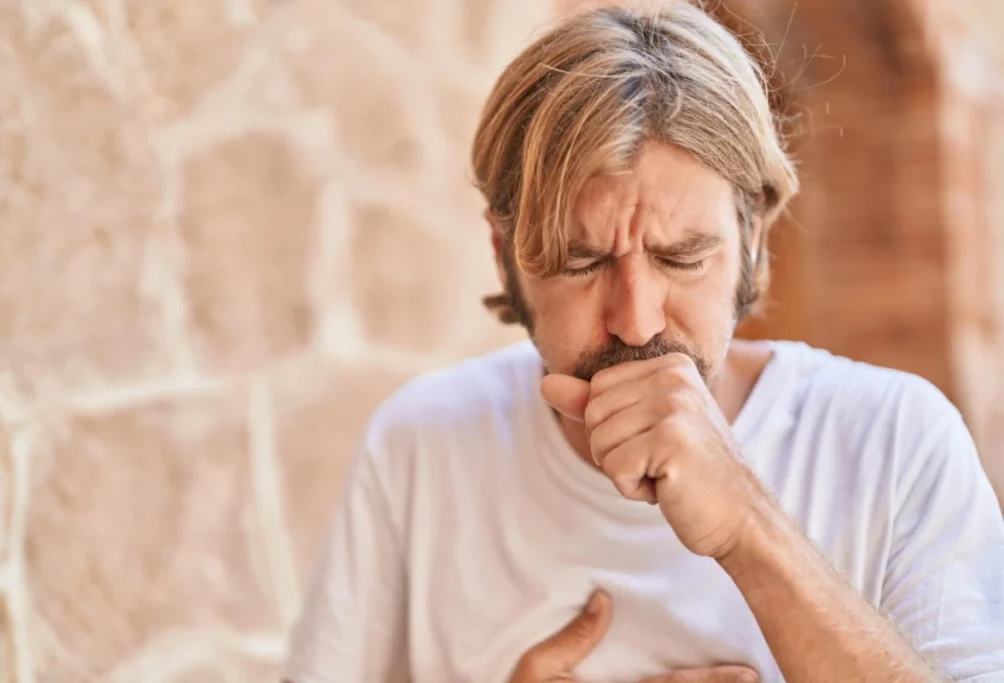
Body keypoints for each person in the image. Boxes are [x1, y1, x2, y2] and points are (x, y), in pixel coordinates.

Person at [283, 3, 1004, 682]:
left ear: (752, 235)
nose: (636, 321)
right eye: (582, 261)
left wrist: (748, 529)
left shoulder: (897, 441)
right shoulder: (420, 448)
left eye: (682, 257)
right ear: (505, 256)